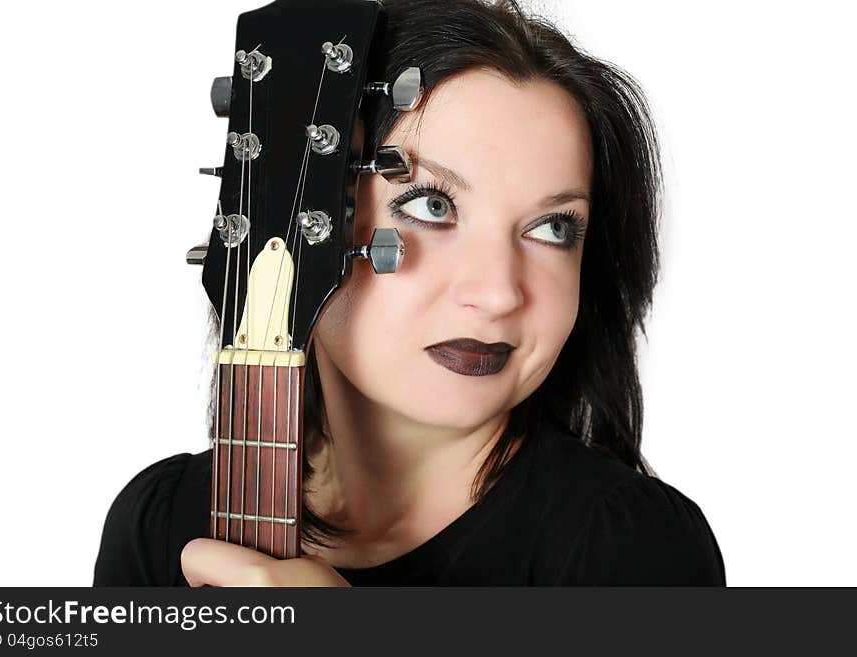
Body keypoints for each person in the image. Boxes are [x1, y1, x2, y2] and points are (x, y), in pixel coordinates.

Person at [94, 0, 725, 586]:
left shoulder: (632, 550)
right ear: (305, 218)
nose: (499, 293)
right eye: (432, 205)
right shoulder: (161, 526)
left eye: (552, 228)